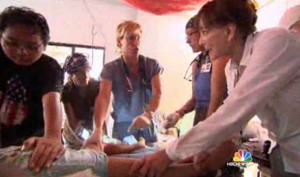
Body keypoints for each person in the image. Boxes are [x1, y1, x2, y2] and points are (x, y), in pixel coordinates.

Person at [133, 0, 300, 177]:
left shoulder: (274, 41)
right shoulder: (232, 68)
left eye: (204, 32)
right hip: (286, 153)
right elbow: (234, 128)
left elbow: (233, 112)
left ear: (229, 31)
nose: (202, 41)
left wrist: (169, 154)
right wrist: (205, 150)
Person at [0, 6, 65, 172]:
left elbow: (52, 100)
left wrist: (52, 137)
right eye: (11, 43)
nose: (21, 52)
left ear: (44, 46)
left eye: (32, 46)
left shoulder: (49, 68)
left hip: (36, 143)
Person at [84, 21, 163, 149]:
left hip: (147, 122)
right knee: (126, 160)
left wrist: (148, 114)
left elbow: (157, 93)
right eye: (131, 38)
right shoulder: (111, 68)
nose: (136, 42)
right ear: (119, 41)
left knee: (150, 159)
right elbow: (104, 97)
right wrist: (98, 128)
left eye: (138, 38)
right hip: (123, 127)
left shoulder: (151, 65)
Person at [62, 53, 145, 153]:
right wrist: (86, 137)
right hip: (74, 132)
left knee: (104, 147)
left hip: (95, 125)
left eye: (87, 70)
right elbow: (73, 122)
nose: (85, 75)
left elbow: (99, 113)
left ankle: (136, 145)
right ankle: (135, 146)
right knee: (86, 151)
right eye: (80, 72)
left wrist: (98, 134)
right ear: (72, 75)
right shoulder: (66, 91)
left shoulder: (97, 87)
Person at [163, 15, 228, 129]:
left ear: (203, 32)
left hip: (219, 120)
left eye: (190, 34)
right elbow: (195, 98)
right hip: (201, 118)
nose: (187, 40)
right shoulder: (197, 63)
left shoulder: (219, 57)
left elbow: (217, 96)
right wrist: (178, 113)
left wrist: (207, 129)